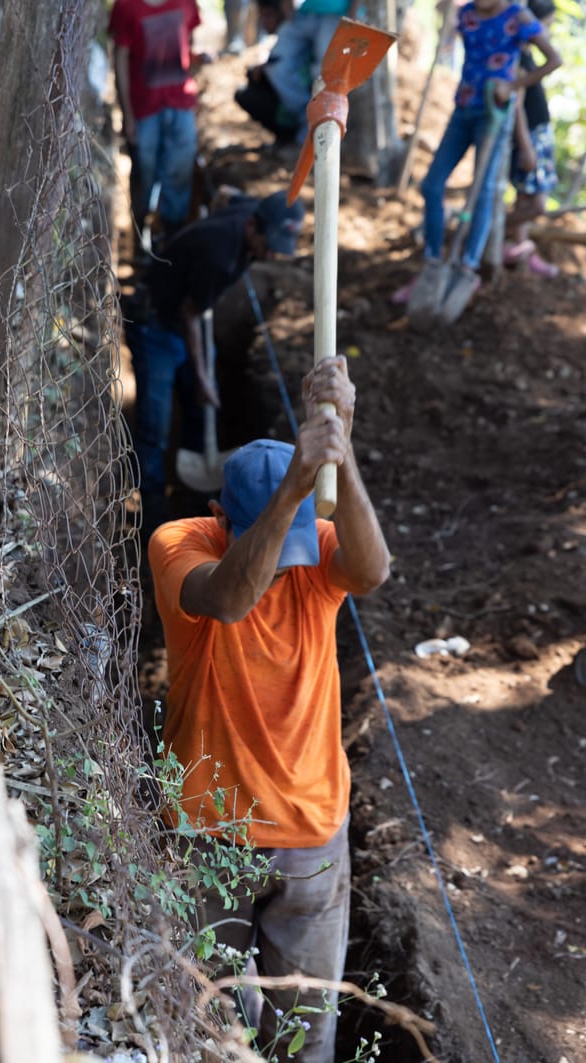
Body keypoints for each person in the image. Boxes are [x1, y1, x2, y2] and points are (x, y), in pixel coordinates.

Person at [148, 358, 391, 1062]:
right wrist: (291, 490)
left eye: (297, 535)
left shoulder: (317, 550)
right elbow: (227, 599)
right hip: (207, 831)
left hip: (312, 836)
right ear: (219, 518)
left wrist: (340, 452)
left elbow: (373, 571)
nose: (288, 565)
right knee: (201, 1020)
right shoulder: (180, 544)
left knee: (305, 1037)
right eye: (274, 541)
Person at [124, 191, 305, 537]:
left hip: (181, 318)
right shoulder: (219, 256)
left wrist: (205, 381)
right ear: (252, 226)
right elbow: (191, 315)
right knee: (154, 426)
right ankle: (154, 520)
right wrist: (205, 378)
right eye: (268, 244)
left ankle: (195, 490)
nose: (270, 254)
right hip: (156, 325)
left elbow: (224, 196)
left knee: (201, 401)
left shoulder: (252, 209)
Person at [394, 0, 561, 311]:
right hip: (462, 111)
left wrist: (511, 86)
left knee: (483, 192)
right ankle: (432, 262)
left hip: (494, 114)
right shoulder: (466, 14)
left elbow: (554, 60)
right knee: (431, 185)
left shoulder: (517, 17)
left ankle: (467, 267)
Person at [109, 0, 209, 261]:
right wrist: (127, 114)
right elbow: (120, 59)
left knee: (179, 173)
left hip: (180, 104)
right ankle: (141, 240)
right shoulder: (127, 7)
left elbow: (188, 40)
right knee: (144, 174)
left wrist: (196, 58)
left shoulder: (185, 3)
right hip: (145, 109)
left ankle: (172, 242)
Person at [503, 0, 560, 278]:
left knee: (525, 199)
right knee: (536, 204)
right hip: (531, 138)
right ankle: (498, 230)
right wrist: (525, 146)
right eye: (547, 25)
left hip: (538, 135)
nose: (548, 31)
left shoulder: (525, 56)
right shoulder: (519, 60)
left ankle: (519, 248)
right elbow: (516, 106)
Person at [258, 0, 351, 144]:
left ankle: (324, 130)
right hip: (304, 14)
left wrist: (353, 13)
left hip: (338, 15)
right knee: (276, 64)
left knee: (326, 74)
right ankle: (307, 120)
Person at [234, 0, 308, 147]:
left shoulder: (291, 32)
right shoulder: (288, 32)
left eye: (268, 15)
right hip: (298, 102)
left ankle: (291, 135)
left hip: (302, 107)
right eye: (261, 16)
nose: (263, 22)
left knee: (249, 90)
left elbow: (278, 65)